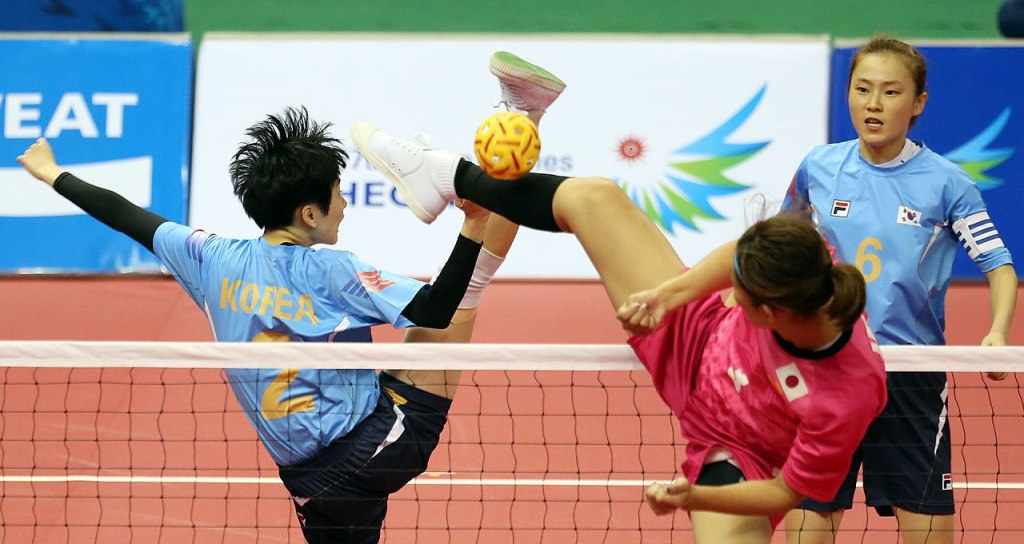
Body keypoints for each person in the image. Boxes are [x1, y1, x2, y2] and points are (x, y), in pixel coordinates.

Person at [14, 51, 559, 541]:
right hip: (375, 452)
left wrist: (53, 173)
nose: (344, 204)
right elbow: (438, 307)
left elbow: (127, 215)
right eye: (338, 195)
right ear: (309, 214)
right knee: (467, 292)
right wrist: (472, 224)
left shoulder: (211, 258)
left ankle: (518, 120)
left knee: (457, 305)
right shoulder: (334, 272)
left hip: (326, 473)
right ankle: (504, 140)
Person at [346, 67, 889, 540]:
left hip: (737, 449)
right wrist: (666, 295)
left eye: (742, 299)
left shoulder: (850, 394)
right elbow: (737, 257)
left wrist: (690, 497)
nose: (733, 296)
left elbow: (785, 491)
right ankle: (443, 173)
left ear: (775, 315)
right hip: (688, 332)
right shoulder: (804, 257)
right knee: (596, 196)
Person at [780, 36, 1017, 544]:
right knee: (808, 521)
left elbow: (999, 265)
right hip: (827, 369)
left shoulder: (948, 184)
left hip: (909, 375)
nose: (873, 103)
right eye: (863, 89)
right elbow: (780, 249)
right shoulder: (817, 169)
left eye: (890, 92)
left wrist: (997, 331)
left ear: (918, 104)